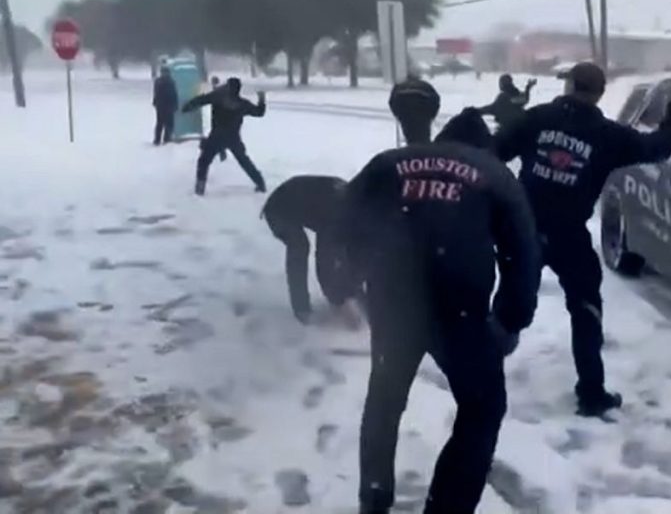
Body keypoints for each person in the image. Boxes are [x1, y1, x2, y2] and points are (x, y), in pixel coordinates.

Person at [340, 107, 541, 514]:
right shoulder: (495, 174)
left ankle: (374, 497)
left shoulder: (388, 163)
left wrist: (352, 282)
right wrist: (510, 319)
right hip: (460, 307)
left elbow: (344, 220)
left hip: (394, 299)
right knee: (482, 408)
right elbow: (523, 252)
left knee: (385, 398)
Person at [494, 62, 671, 417]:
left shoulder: (537, 118)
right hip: (569, 236)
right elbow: (654, 148)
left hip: (523, 230)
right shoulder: (608, 135)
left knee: (511, 306)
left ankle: (482, 375)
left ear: (568, 86)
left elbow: (494, 151)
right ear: (599, 93)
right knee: (586, 311)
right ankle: (591, 393)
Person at [262, 175, 360, 323]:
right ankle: (301, 309)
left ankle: (343, 296)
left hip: (299, 201)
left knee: (341, 251)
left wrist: (352, 292)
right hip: (277, 210)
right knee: (300, 247)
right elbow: (325, 262)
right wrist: (339, 301)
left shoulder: (353, 202)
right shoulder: (336, 215)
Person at [182, 77, 267, 196]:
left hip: (216, 137)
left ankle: (200, 188)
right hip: (233, 138)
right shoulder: (242, 104)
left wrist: (187, 107)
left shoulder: (218, 98)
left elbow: (201, 100)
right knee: (244, 161)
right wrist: (262, 100)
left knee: (204, 161)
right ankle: (260, 183)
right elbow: (259, 112)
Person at [387, 75, 440, 145]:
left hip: (404, 113)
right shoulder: (426, 87)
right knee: (423, 136)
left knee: (410, 134)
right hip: (424, 113)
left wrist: (399, 115)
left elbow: (392, 102)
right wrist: (431, 115)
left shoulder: (398, 88)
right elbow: (435, 100)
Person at [152, 65, 179, 146]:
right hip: (167, 105)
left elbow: (156, 93)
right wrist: (175, 104)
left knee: (160, 123)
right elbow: (173, 94)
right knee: (168, 123)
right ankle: (166, 139)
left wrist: (155, 102)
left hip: (161, 105)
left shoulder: (158, 81)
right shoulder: (170, 81)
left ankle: (158, 139)